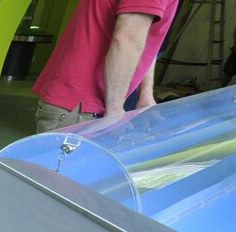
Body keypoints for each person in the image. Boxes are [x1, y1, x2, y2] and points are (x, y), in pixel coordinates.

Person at [32, 0, 178, 133]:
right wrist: (115, 111)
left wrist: (145, 94)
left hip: (85, 102)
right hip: (83, 108)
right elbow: (127, 40)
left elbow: (144, 38)